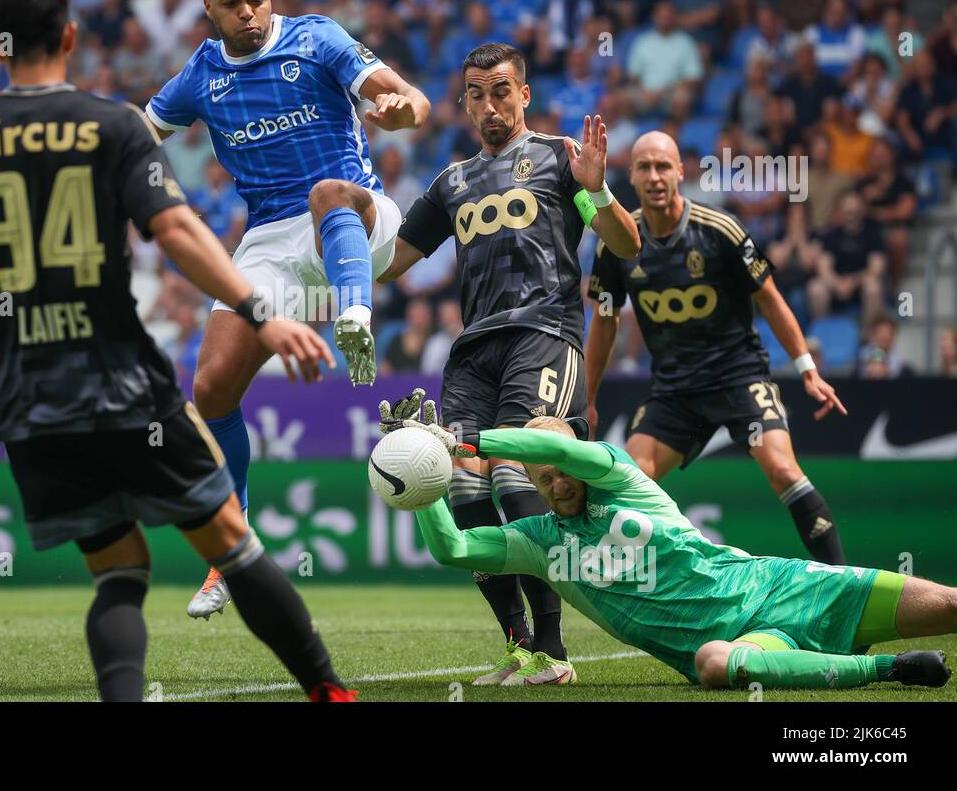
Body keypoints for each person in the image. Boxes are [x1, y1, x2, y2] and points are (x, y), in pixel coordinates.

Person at [0, 0, 353, 702]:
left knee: (119, 574)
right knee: (231, 544)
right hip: (123, 382)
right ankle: (329, 691)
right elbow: (178, 230)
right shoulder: (110, 125)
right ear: (68, 36)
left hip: (31, 403)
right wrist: (261, 311)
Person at [143, 0, 430, 618]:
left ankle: (354, 319)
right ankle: (230, 547)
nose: (248, 11)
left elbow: (408, 97)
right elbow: (140, 132)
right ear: (208, 10)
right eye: (233, 3)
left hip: (355, 213)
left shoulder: (318, 37)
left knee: (331, 190)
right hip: (271, 237)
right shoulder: (201, 74)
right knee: (210, 390)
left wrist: (400, 110)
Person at [376, 43, 640, 686]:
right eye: (476, 94)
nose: (489, 105)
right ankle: (520, 642)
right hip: (475, 348)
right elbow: (390, 263)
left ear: (524, 94)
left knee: (512, 473)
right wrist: (326, 247)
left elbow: (625, 242)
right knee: (459, 478)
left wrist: (597, 189)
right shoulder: (451, 183)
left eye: (501, 91)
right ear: (463, 101)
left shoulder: (559, 160)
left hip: (544, 333)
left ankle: (553, 651)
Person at [397, 411, 953, 692]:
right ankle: (889, 668)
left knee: (950, 605)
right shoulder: (540, 544)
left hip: (784, 587)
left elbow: (552, 447)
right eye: (545, 479)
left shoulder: (621, 477)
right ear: (533, 483)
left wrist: (469, 441)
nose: (559, 483)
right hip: (744, 644)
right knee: (713, 663)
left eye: (566, 469)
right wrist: (420, 476)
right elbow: (454, 548)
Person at [586, 131, 849, 567]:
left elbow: (770, 298)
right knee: (628, 482)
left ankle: (846, 586)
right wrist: (589, 399)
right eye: (645, 167)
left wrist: (806, 368)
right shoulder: (616, 243)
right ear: (629, 175)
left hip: (738, 377)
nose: (654, 176)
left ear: (680, 172)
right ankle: (651, 594)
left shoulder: (718, 229)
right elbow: (606, 320)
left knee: (784, 470)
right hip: (674, 392)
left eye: (663, 166)